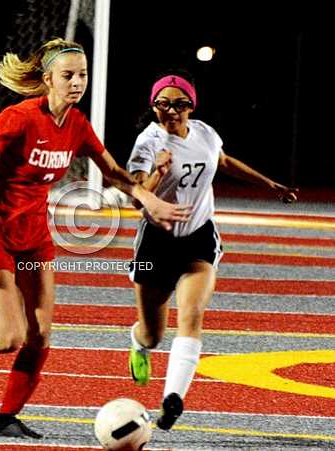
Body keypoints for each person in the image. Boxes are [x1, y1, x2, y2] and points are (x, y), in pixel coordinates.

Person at [0, 38, 192, 439]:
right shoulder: (19, 117)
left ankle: (7, 418)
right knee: (8, 338)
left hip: (34, 238)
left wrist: (147, 197)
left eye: (82, 75)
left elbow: (116, 174)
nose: (77, 82)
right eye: (67, 75)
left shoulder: (78, 125)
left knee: (42, 335)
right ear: (47, 79)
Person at [126, 69, 298, 431]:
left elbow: (223, 161)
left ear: (192, 106)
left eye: (180, 104)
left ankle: (173, 399)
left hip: (198, 239)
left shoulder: (205, 132)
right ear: (153, 107)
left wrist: (269, 184)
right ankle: (137, 342)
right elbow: (138, 199)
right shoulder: (147, 142)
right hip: (157, 244)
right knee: (153, 334)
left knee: (192, 314)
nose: (171, 111)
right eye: (163, 104)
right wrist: (157, 173)